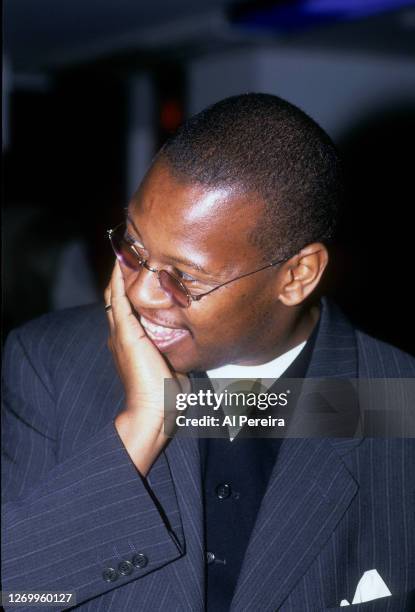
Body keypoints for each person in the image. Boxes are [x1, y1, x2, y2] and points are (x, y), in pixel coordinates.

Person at [2, 94, 414, 611]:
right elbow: (15, 591)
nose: (140, 293)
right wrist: (139, 429)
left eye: (183, 278)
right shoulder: (49, 365)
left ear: (297, 275)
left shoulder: (399, 404)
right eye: (133, 248)